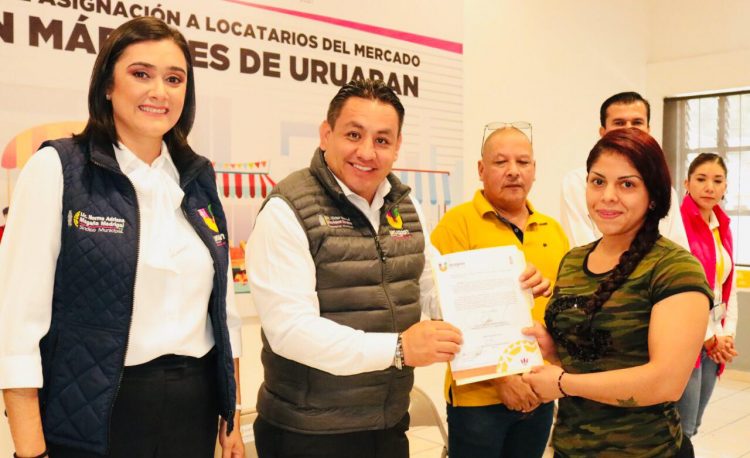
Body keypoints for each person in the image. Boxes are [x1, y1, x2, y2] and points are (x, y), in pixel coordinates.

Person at [245, 79, 549, 458]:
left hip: (387, 423)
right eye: (354, 134)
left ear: (397, 146)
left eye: (382, 140)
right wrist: (399, 349)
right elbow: (289, 331)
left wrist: (508, 293)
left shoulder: (406, 207)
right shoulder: (288, 209)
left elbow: (436, 290)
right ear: (326, 134)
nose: (367, 152)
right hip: (308, 431)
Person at [0, 17, 244, 458]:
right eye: (141, 74)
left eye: (174, 79)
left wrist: (232, 416)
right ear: (108, 86)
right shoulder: (58, 168)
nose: (159, 91)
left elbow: (223, 314)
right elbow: (16, 325)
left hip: (194, 410)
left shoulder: (198, 177)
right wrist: (30, 452)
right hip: (95, 413)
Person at [522, 128, 713, 457]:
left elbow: (665, 382)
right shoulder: (573, 261)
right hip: (571, 448)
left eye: (627, 184)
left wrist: (563, 383)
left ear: (653, 196)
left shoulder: (675, 268)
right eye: (598, 181)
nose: (607, 196)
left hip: (647, 451)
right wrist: (553, 350)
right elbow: (591, 361)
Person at [430, 125, 568, 458]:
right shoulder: (457, 225)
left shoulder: (552, 230)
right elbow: (443, 312)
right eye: (500, 162)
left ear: (534, 169)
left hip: (539, 390)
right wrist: (502, 380)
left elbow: (563, 307)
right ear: (481, 169)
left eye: (523, 162)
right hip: (478, 400)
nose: (513, 171)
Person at [560, 91, 689, 249]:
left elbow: (677, 247)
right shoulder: (576, 182)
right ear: (603, 132)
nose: (629, 129)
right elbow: (582, 247)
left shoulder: (663, 186)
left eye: (637, 122)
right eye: (619, 123)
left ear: (648, 129)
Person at [676, 153, 739, 438]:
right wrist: (709, 337)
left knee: (694, 425)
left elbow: (726, 286)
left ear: (725, 187)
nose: (709, 187)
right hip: (687, 336)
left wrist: (726, 334)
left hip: (715, 337)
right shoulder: (676, 226)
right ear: (686, 183)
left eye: (717, 181)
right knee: (682, 427)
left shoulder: (721, 226)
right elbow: (681, 290)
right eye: (701, 179)